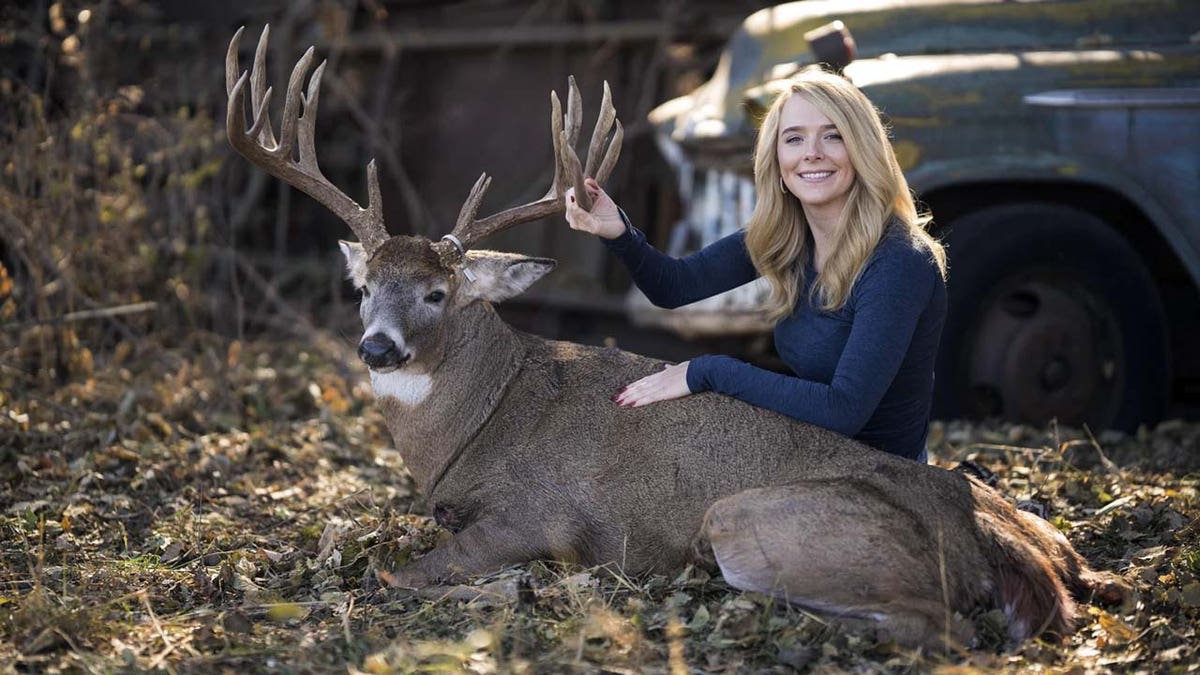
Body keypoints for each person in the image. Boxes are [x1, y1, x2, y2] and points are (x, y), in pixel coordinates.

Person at [564, 68, 948, 462]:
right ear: (777, 158)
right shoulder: (788, 235)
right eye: (794, 138)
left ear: (863, 150)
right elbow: (674, 286)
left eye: (833, 136)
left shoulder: (898, 262)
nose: (811, 152)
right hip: (813, 450)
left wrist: (706, 371)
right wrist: (618, 233)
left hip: (886, 477)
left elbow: (842, 410)